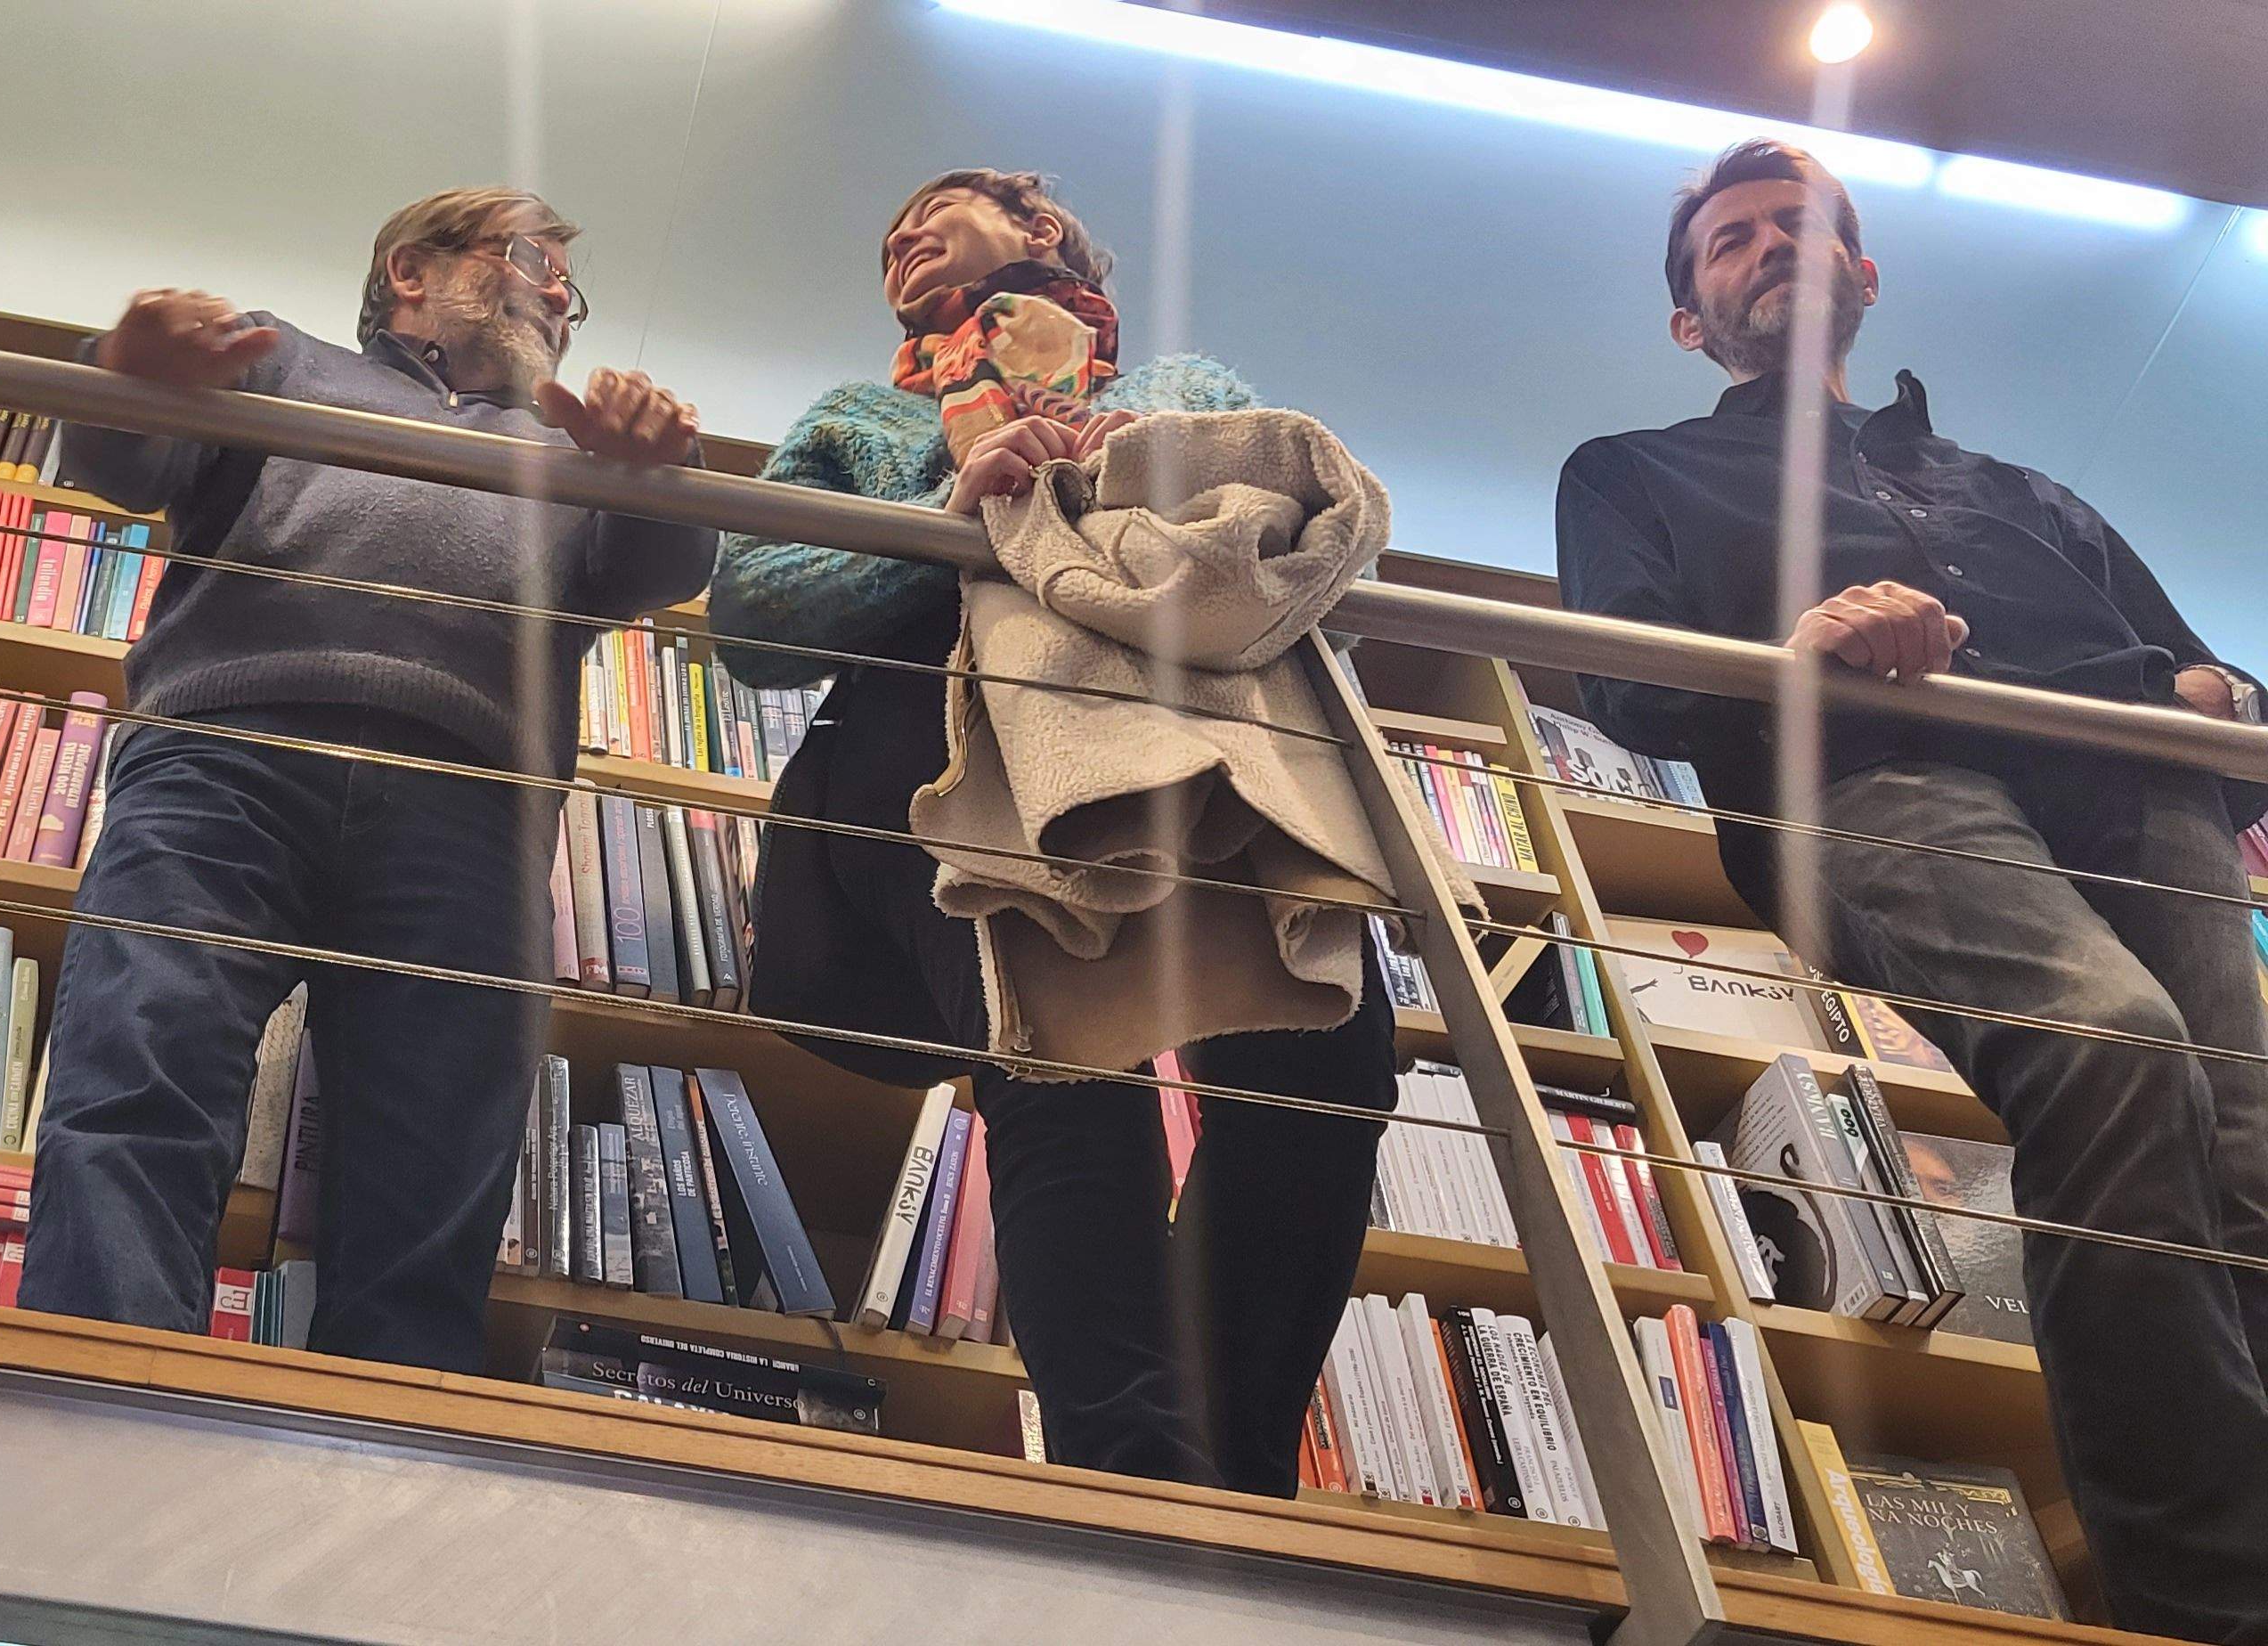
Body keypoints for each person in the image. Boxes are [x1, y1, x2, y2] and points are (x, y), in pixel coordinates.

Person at [1556, 137, 2268, 1642]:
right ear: (1693, 318)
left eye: (1803, 225)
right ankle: (2209, 1605)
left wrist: (2218, 693)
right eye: (1733, 239)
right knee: (2110, 1046)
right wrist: (1799, 638)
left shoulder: (2028, 491)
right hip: (1872, 774)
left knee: (2257, 1157)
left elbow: (2204, 668)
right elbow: (1617, 673)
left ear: (1864, 275)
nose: (1771, 245)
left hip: (2137, 785)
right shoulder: (1630, 471)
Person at [711, 168, 1397, 1492]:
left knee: (1327, 1067)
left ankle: (1235, 1472)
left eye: (935, 209)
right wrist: (950, 510)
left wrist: (1111, 466)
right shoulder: (865, 414)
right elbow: (753, 612)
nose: (903, 235)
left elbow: (1282, 546)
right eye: (889, 232)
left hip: (1207, 743)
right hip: (961, 744)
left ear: (1040, 233)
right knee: (1059, 1070)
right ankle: (1129, 1474)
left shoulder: (1183, 384)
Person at [25, 187, 718, 1371]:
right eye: (536, 259)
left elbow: (650, 565)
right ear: (413, 270)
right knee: (141, 1070)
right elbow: (121, 460)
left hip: (472, 814)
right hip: (227, 762)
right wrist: (122, 371)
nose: (559, 294)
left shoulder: (564, 452)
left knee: (434, 1166)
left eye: (569, 287)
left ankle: (375, 1482)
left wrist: (664, 469)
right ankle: (98, 1409)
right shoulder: (281, 362)